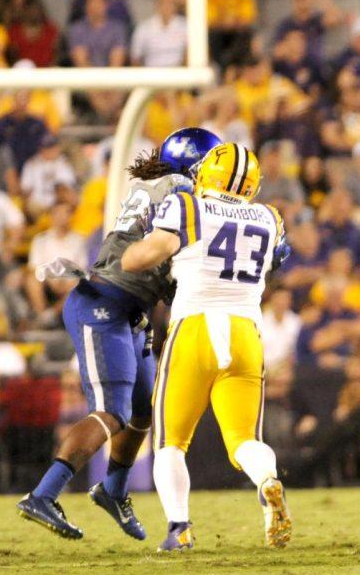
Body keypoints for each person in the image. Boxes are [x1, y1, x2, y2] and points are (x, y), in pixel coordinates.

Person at [17, 128, 219, 541]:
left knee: (144, 411)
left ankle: (113, 490)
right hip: (105, 304)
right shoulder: (182, 191)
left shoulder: (161, 185)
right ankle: (43, 494)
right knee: (112, 412)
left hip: (130, 308)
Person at [121, 142, 293, 551]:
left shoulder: (187, 206)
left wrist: (131, 244)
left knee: (170, 442)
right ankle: (267, 482)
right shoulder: (270, 217)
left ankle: (179, 528)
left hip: (195, 326)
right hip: (246, 331)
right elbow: (275, 260)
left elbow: (142, 258)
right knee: (243, 439)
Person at [130, 0, 188, 68]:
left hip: (179, 73)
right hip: (151, 74)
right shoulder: (144, 28)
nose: (167, 7)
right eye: (163, 4)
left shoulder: (186, 25)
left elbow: (191, 53)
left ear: (176, 7)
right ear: (156, 6)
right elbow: (135, 57)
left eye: (170, 4)